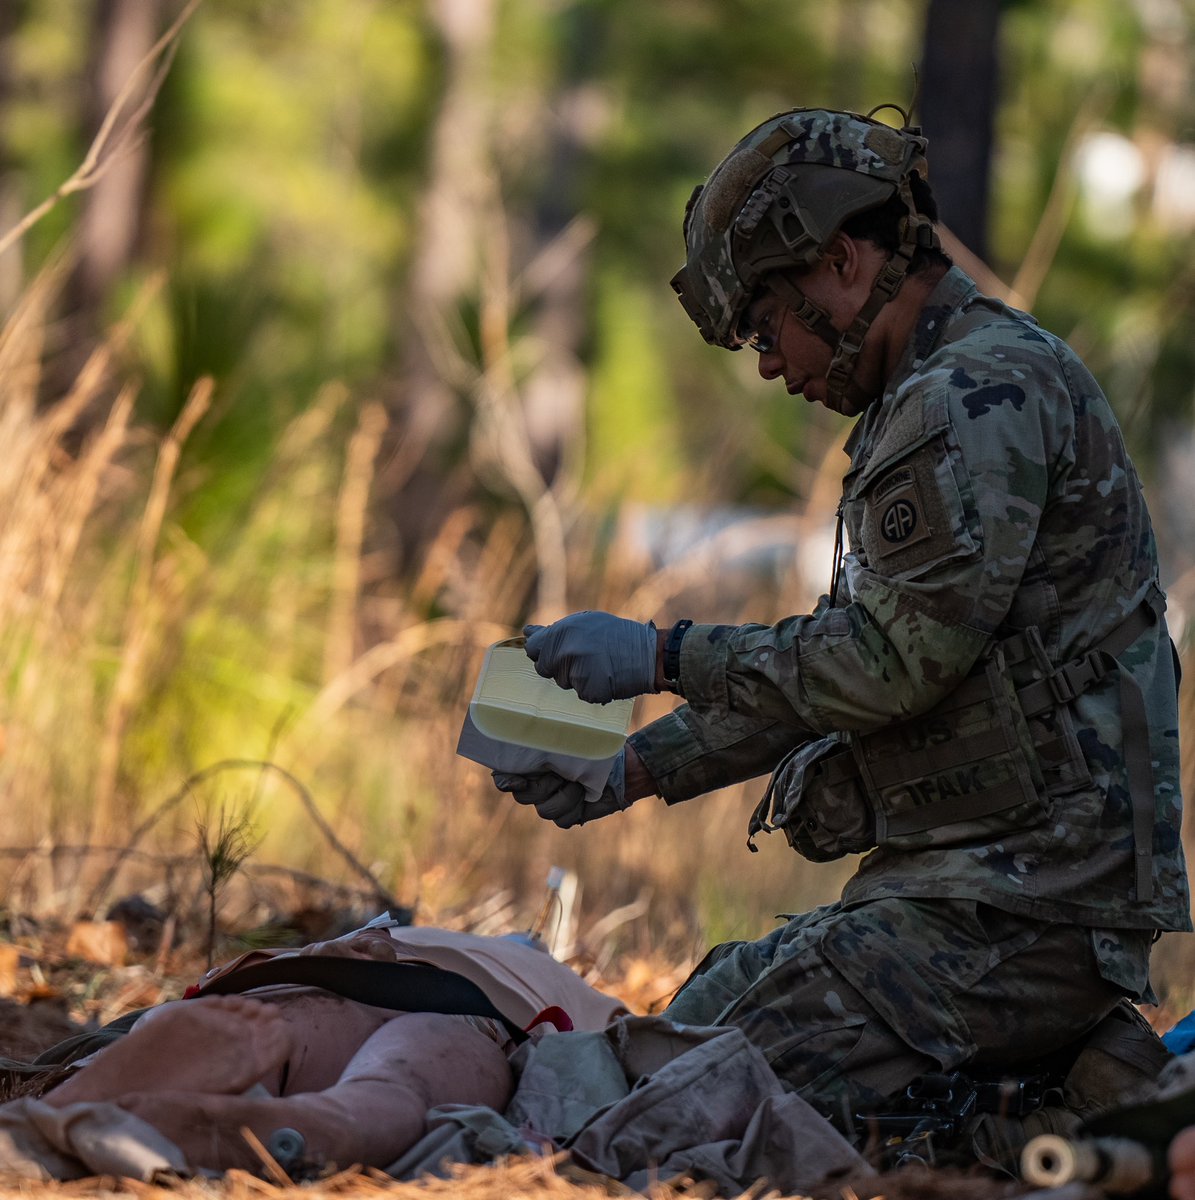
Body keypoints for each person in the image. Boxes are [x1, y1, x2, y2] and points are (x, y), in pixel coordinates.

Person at [493, 105, 1191, 1125]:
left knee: (681, 1097)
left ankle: (1052, 1121)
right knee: (695, 1024)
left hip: (1020, 908)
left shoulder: (968, 397)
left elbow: (885, 666)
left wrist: (661, 654)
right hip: (983, 895)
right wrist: (634, 768)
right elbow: (832, 673)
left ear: (841, 263)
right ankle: (1072, 1088)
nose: (769, 364)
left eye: (766, 324)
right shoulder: (933, 391)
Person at [12, 922, 625, 1175]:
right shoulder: (553, 982)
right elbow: (632, 1053)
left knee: (176, 1038)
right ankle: (305, 1127)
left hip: (259, 1002)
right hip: (465, 1020)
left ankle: (69, 1105)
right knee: (398, 1086)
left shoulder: (403, 937)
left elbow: (350, 951)